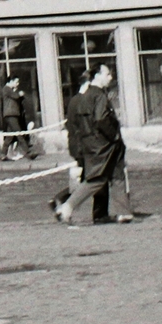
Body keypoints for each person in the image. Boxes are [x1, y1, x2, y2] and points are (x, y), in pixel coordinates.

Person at [58, 64, 133, 225]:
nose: (110, 77)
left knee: (117, 173)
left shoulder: (85, 96)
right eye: (107, 74)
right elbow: (101, 119)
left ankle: (125, 212)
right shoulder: (99, 95)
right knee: (98, 179)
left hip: (92, 144)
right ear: (97, 76)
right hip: (104, 145)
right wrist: (113, 136)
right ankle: (67, 207)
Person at [51, 70, 110, 223]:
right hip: (85, 145)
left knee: (88, 178)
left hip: (79, 145)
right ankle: (99, 214)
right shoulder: (83, 101)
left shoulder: (75, 100)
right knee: (96, 178)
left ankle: (62, 199)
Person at [0, 79, 27, 161]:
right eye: (16, 82)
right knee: (19, 134)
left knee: (9, 136)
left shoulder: (10, 90)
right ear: (11, 81)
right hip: (11, 115)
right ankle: (28, 152)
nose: (17, 84)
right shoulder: (7, 89)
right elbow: (16, 96)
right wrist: (19, 93)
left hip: (12, 115)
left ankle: (3, 154)